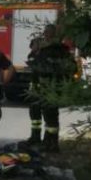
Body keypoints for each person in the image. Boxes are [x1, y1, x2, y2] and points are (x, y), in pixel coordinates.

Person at [26, 24, 75, 153]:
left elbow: (34, 64)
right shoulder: (64, 50)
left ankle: (48, 142)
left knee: (48, 114)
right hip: (55, 87)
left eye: (46, 32)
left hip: (44, 86)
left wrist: (34, 52)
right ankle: (48, 141)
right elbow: (72, 68)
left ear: (48, 34)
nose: (45, 34)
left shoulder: (45, 50)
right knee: (47, 114)